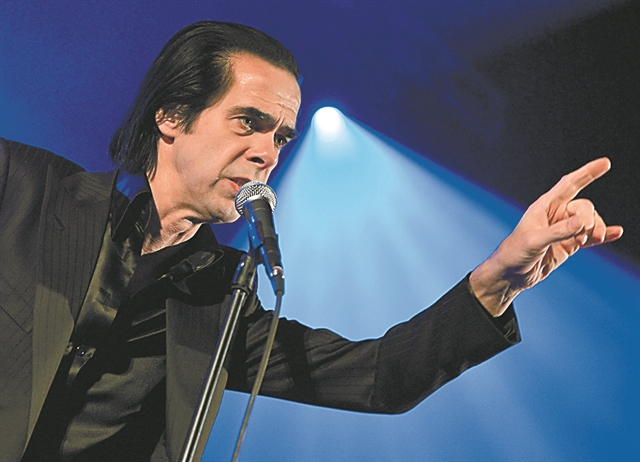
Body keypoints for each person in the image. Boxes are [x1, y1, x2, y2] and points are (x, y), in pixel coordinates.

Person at [0, 21, 622, 462]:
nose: (267, 153)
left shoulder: (220, 299)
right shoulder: (23, 187)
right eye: (248, 122)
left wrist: (498, 278)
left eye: (281, 137)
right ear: (171, 116)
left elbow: (380, 378)